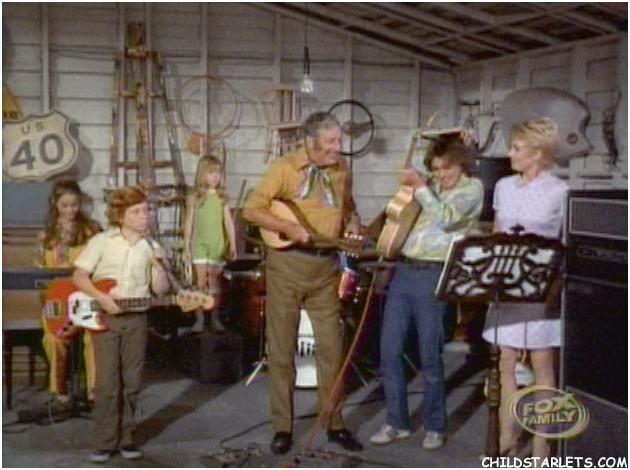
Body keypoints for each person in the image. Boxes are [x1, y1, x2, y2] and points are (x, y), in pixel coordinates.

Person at [242, 112, 363, 455]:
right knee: (281, 351)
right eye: (331, 142)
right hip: (287, 267)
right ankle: (283, 427)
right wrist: (288, 228)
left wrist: (353, 225)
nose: (338, 148)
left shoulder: (341, 170)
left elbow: (348, 208)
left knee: (332, 350)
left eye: (339, 141)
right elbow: (251, 210)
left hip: (325, 269)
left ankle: (335, 424)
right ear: (311, 142)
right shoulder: (284, 169)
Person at [369, 136, 484, 450]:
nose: (441, 175)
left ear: (461, 164)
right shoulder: (430, 187)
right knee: (389, 350)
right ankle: (396, 421)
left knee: (430, 354)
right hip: (404, 271)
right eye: (436, 169)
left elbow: (446, 218)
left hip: (434, 274)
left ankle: (435, 425)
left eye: (447, 168)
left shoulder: (472, 189)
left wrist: (421, 186)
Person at [481, 117, 568, 459]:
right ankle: (507, 440)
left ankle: (541, 450)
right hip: (507, 287)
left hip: (539, 289)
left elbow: (564, 245)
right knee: (504, 366)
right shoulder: (504, 186)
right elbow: (497, 234)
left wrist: (554, 288)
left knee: (542, 367)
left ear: (538, 154)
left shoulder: (559, 191)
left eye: (517, 148)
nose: (510, 154)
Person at [73, 186, 171, 463]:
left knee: (132, 382)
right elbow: (79, 277)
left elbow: (160, 291)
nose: (144, 216)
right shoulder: (102, 242)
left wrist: (159, 268)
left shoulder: (151, 247)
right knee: (107, 383)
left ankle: (127, 438)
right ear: (120, 215)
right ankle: (104, 442)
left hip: (136, 319)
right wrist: (102, 298)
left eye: (146, 210)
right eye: (136, 212)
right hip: (105, 319)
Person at [38, 180, 101, 404]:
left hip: (86, 295)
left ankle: (95, 390)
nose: (70, 210)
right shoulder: (47, 235)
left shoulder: (91, 230)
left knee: (95, 335)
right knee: (54, 338)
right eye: (65, 205)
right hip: (57, 297)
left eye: (74, 205)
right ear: (55, 204)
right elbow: (38, 270)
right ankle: (59, 390)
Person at [182, 155, 237, 333]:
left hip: (217, 243)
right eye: (211, 173)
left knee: (214, 282)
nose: (215, 177)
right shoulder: (195, 196)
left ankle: (214, 317)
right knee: (200, 282)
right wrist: (186, 246)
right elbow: (189, 222)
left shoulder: (221, 197)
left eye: (218, 173)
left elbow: (228, 222)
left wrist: (233, 245)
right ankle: (199, 318)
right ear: (202, 174)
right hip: (199, 243)